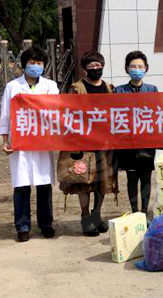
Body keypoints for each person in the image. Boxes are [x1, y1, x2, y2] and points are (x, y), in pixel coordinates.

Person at [0, 46, 59, 242]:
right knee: (21, 186)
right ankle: (22, 226)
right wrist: (5, 140)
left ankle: (46, 224)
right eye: (32, 63)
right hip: (20, 142)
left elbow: (57, 112)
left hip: (42, 141)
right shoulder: (12, 87)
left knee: (44, 184)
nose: (35, 66)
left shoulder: (50, 86)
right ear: (24, 65)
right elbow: (5, 115)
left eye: (39, 63)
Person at [58, 51, 118, 237]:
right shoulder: (77, 88)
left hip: (104, 143)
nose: (95, 69)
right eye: (91, 66)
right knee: (83, 182)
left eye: (98, 66)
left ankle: (96, 214)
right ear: (84, 69)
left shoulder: (109, 88)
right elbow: (68, 113)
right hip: (83, 143)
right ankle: (85, 218)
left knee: (102, 182)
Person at [115, 51, 158, 215]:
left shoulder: (152, 90)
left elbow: (157, 114)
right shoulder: (118, 91)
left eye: (140, 66)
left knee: (146, 178)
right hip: (128, 143)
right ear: (127, 68)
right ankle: (134, 212)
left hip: (147, 142)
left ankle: (144, 212)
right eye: (133, 66)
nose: (137, 69)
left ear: (146, 68)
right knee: (131, 179)